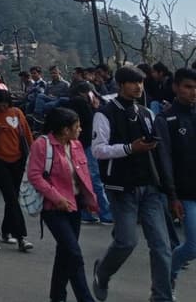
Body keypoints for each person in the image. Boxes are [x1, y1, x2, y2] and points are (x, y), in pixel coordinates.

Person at [91, 65, 172, 302]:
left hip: (150, 186)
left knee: (162, 247)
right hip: (121, 187)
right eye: (133, 83)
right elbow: (98, 150)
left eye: (141, 83)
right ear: (120, 85)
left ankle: (161, 297)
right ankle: (103, 272)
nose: (138, 87)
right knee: (126, 241)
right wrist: (129, 149)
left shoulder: (147, 113)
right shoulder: (105, 113)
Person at [27, 107, 98, 302]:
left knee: (65, 252)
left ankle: (57, 296)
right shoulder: (42, 145)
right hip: (53, 208)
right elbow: (35, 175)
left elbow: (84, 175)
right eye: (77, 126)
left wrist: (91, 200)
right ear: (65, 129)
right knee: (74, 254)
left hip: (75, 206)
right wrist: (57, 198)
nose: (80, 129)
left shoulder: (76, 145)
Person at [155, 66, 196, 289]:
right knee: (192, 247)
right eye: (188, 87)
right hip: (184, 194)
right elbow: (164, 159)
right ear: (176, 87)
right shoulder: (166, 119)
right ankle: (166, 277)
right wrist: (172, 196)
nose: (193, 92)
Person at [0, 90, 34, 252]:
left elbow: (26, 133)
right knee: (12, 198)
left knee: (12, 197)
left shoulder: (17, 113)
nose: (3, 106)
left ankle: (6, 230)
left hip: (18, 159)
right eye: (0, 103)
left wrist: (33, 153)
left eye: (5, 103)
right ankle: (21, 236)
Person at [69, 80, 112, 224]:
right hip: (87, 144)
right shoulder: (81, 103)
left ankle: (87, 212)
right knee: (95, 179)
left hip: (80, 144)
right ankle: (105, 213)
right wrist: (95, 108)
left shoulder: (73, 102)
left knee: (83, 178)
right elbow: (92, 120)